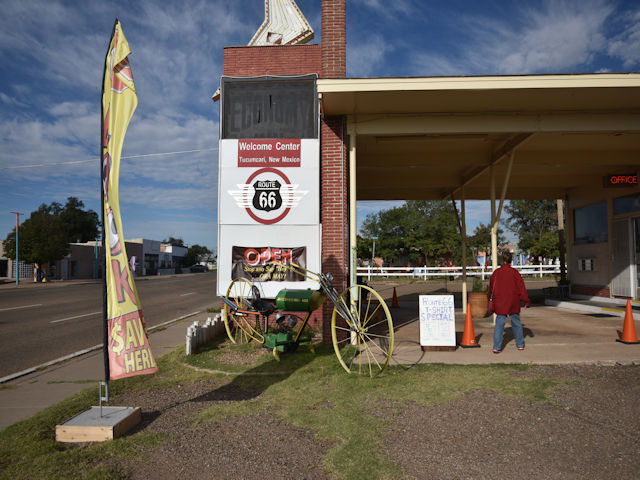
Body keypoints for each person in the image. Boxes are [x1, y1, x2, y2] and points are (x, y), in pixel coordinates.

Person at [489, 251, 530, 353]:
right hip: (513, 301)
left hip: (500, 301)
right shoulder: (515, 273)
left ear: (502, 260)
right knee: (516, 322)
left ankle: (496, 347)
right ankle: (520, 344)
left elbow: (491, 289)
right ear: (511, 260)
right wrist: (526, 300)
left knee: (499, 324)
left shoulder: (496, 273)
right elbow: (521, 288)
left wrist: (492, 299)